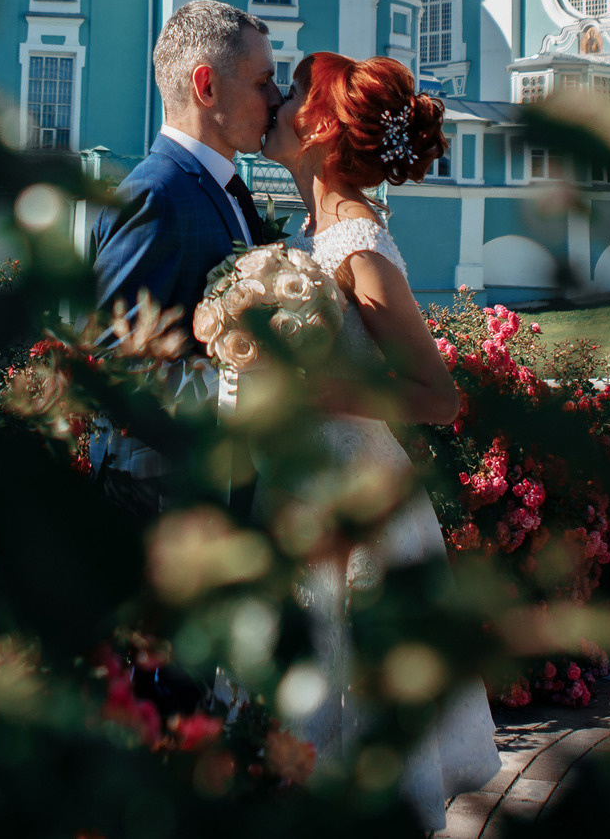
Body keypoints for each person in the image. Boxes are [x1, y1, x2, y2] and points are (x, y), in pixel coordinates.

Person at [260, 50, 500, 833]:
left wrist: (323, 391)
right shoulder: (316, 228)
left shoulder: (356, 240)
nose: (275, 98)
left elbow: (438, 395)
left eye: (291, 89)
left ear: (321, 125)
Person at [89, 0, 286, 515]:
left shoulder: (227, 189)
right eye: (263, 81)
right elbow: (119, 368)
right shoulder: (155, 196)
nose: (276, 97)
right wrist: (256, 389)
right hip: (162, 507)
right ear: (207, 87)